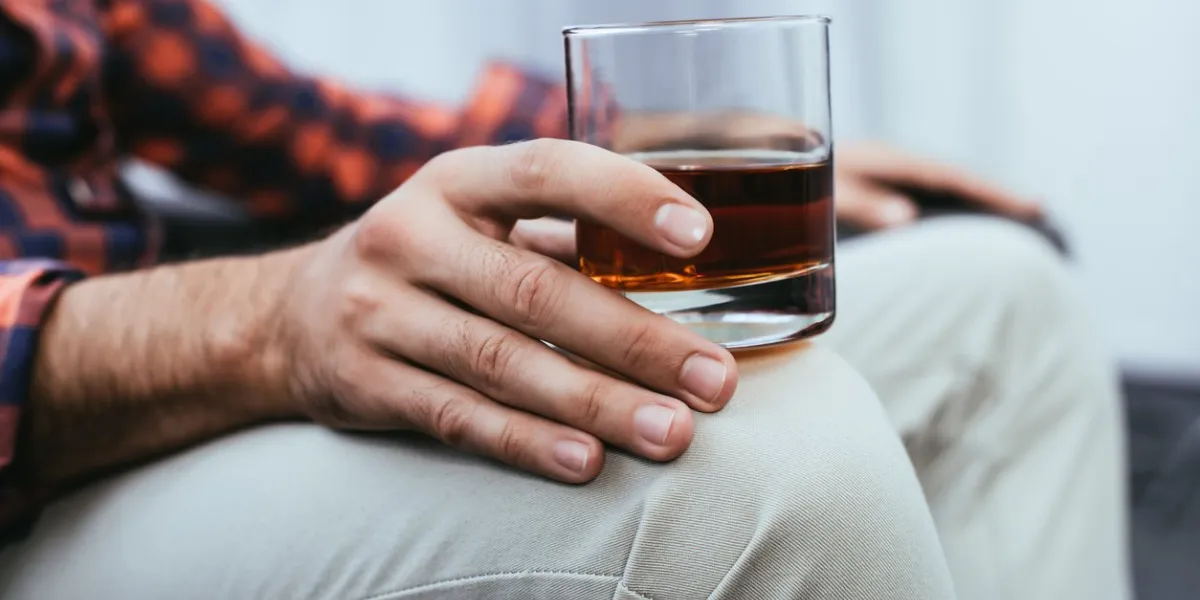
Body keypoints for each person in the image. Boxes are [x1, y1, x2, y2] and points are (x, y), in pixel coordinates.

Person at [0, 1, 1129, 599]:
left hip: (143, 416)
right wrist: (266, 323)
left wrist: (647, 140)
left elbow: (305, 124)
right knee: (771, 454)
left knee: (1002, 301)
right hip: (34, 486)